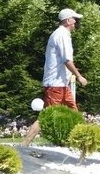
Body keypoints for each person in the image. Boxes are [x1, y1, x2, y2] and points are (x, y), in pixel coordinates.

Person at [22, 8, 88, 146]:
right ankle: (25, 144)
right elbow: (67, 60)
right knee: (46, 116)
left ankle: (83, 142)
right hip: (55, 84)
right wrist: (79, 76)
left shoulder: (61, 34)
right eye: (74, 19)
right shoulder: (62, 35)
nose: (76, 22)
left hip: (61, 84)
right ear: (68, 20)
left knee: (73, 113)